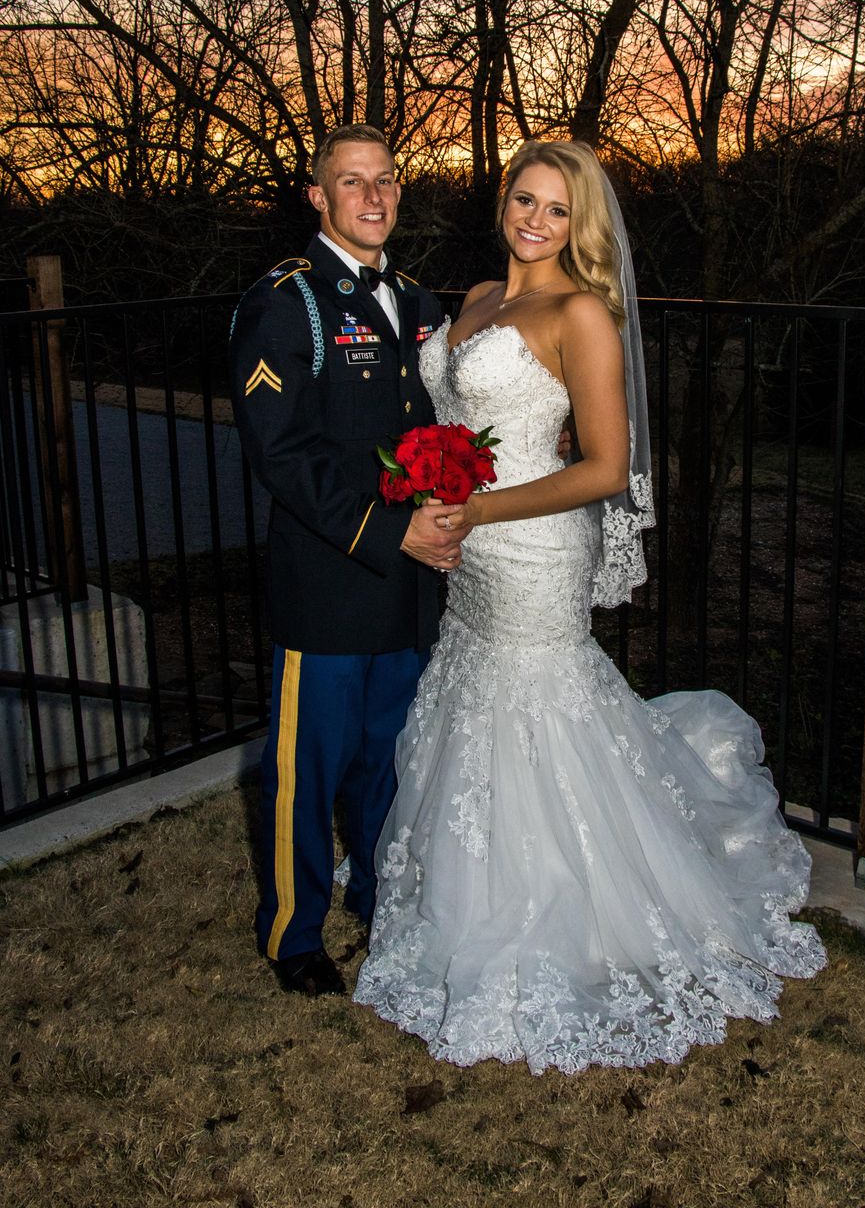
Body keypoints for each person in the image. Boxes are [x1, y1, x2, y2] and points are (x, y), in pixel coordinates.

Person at [353, 139, 826, 1072]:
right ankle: (467, 889)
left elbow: (605, 466)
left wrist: (481, 505)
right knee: (473, 695)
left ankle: (568, 907)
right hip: (470, 552)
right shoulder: (480, 300)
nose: (536, 219)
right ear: (505, 202)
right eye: (525, 199)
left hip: (531, 544)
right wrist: (435, 476)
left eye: (558, 209)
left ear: (582, 225)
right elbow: (455, 414)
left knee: (537, 703)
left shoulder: (583, 313)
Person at [229, 123, 469, 997]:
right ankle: (293, 934)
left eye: (386, 181)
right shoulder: (285, 305)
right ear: (318, 197)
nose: (373, 197)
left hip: (410, 590)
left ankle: (380, 900)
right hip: (330, 586)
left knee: (389, 761)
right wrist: (385, 529)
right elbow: (283, 455)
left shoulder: (419, 298)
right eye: (352, 182)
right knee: (308, 770)